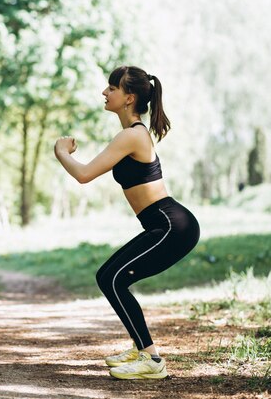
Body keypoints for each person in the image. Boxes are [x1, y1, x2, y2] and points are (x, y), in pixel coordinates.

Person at [54, 65, 200, 380]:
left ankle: (151, 360)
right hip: (163, 225)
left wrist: (60, 151)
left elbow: (83, 174)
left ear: (128, 97)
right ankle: (140, 349)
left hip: (172, 226)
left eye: (112, 88)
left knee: (114, 279)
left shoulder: (132, 135)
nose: (105, 92)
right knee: (108, 276)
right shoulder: (132, 135)